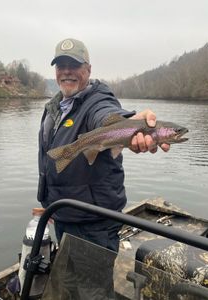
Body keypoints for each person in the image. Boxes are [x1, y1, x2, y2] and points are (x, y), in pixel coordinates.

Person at [37, 38, 170, 253]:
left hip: (93, 223)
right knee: (70, 282)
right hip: (64, 214)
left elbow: (106, 115)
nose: (67, 72)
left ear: (88, 70)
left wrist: (133, 124)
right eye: (62, 66)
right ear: (55, 71)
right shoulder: (55, 106)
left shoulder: (98, 100)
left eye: (75, 65)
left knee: (92, 287)